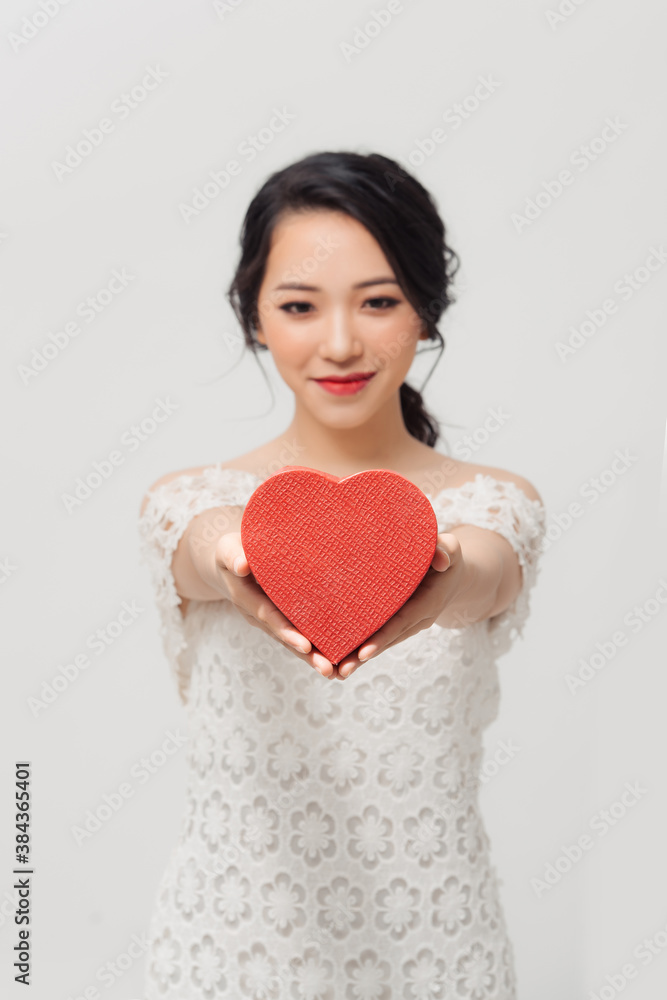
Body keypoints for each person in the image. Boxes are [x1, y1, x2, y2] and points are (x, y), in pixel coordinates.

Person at [138, 150, 547, 999]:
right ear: (254, 316)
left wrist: (432, 575)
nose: (338, 343)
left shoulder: (494, 505)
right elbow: (201, 546)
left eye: (379, 302)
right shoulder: (184, 503)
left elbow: (481, 571)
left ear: (425, 312)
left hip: (436, 956)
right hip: (226, 956)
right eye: (298, 305)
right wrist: (232, 551)